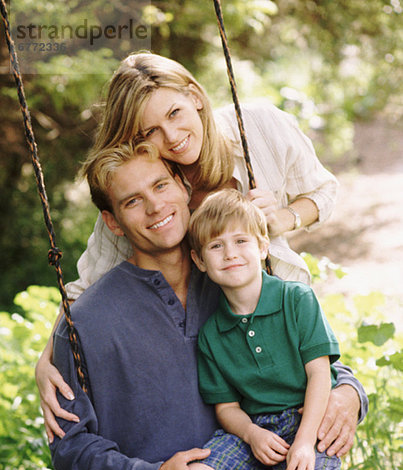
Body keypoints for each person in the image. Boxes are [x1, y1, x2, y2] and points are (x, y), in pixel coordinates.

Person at [48, 140, 378, 470]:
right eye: (132, 201)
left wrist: (349, 392)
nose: (155, 205)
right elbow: (71, 448)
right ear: (113, 222)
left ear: (183, 188)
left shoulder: (231, 272)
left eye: (161, 185)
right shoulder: (87, 321)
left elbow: (310, 360)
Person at [37, 50, 340, 439]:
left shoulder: (260, 128)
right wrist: (46, 358)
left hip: (284, 327)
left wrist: (283, 218)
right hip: (225, 347)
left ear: (195, 96)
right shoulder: (151, 190)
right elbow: (86, 285)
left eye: (175, 113)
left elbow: (324, 190)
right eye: (150, 132)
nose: (172, 138)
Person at [187, 189, 347, 470]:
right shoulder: (211, 333)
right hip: (253, 429)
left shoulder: (296, 299)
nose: (230, 253)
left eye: (241, 241)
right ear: (200, 261)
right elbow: (226, 407)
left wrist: (307, 444)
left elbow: (320, 378)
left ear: (262, 247)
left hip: (304, 419)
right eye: (216, 246)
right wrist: (252, 434)